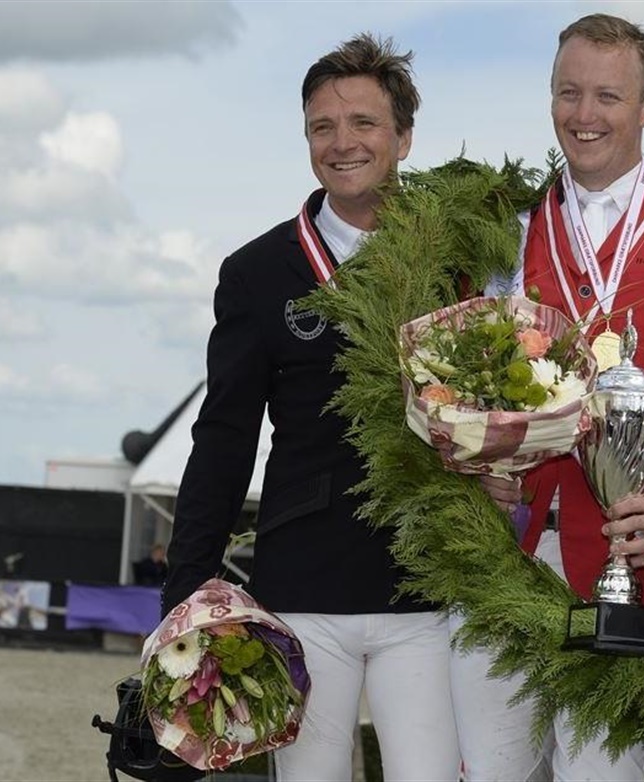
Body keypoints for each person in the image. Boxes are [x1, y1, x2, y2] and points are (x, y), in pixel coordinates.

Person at [458, 13, 644, 781]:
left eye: (608, 97)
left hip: (629, 565)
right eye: (568, 92)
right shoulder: (504, 231)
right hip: (502, 553)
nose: (583, 115)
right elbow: (460, 379)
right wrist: (473, 459)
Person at [162, 34, 459, 781]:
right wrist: (186, 588)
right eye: (322, 127)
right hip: (303, 592)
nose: (341, 142)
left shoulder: (456, 259)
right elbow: (225, 437)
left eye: (363, 123)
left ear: (403, 138)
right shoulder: (258, 272)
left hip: (426, 587)